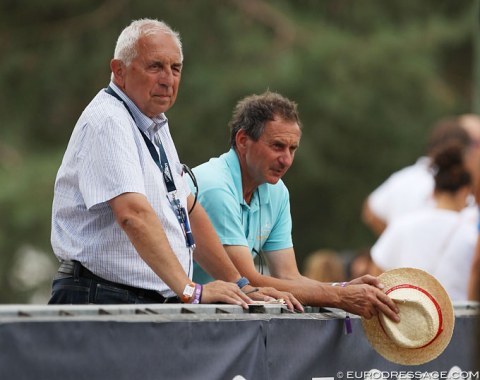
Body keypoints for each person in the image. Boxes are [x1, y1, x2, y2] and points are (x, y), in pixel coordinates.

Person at [48, 18, 301, 310]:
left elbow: (188, 209)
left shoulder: (153, 123)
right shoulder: (109, 120)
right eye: (155, 66)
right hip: (102, 296)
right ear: (119, 71)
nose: (168, 79)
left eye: (176, 68)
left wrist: (240, 285)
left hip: (136, 298)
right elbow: (133, 214)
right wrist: (190, 290)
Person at [191, 91, 400, 321]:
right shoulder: (215, 186)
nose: (287, 160)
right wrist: (339, 295)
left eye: (293, 149)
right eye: (277, 146)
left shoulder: (277, 190)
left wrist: (342, 288)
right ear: (242, 141)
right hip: (176, 317)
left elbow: (289, 276)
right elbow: (246, 281)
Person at [370, 142, 476, 301]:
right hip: (458, 320)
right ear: (465, 191)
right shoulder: (472, 232)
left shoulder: (402, 225)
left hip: (406, 321)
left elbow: (375, 276)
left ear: (433, 191)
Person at [362, 115, 480, 236]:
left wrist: (393, 237)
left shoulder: (403, 177)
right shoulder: (457, 187)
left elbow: (370, 209)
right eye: (476, 144)